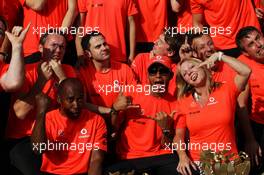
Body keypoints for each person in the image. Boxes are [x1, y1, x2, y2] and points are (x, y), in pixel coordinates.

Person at [5, 31, 77, 175]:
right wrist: (41, 81)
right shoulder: (26, 71)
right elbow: (19, 113)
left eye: (62, 47)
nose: (58, 50)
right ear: (40, 48)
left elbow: (76, 108)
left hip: (56, 136)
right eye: (53, 46)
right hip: (24, 138)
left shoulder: (68, 70)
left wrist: (62, 77)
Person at [174, 53, 251, 174]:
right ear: (186, 81)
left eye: (192, 67)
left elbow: (246, 71)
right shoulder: (183, 102)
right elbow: (178, 136)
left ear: (203, 66)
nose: (188, 72)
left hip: (229, 162)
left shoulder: (226, 89)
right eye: (184, 73)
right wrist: (182, 156)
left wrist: (219, 56)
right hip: (198, 164)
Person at [106, 55, 181, 175]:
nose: (158, 75)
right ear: (147, 75)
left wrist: (166, 129)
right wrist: (114, 109)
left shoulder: (175, 104)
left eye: (163, 71)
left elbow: (168, 145)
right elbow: (112, 130)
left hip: (161, 156)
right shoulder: (131, 93)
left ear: (171, 76)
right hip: (130, 156)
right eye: (153, 71)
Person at [31, 78, 107, 175]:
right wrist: (41, 112)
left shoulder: (96, 120)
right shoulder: (46, 119)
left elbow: (96, 160)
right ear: (59, 99)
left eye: (79, 99)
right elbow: (38, 149)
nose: (76, 105)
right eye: (70, 100)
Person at [236, 26, 264, 174]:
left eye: (258, 38)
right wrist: (250, 140)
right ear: (246, 53)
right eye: (251, 44)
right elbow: (241, 104)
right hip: (259, 125)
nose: (259, 45)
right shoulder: (243, 66)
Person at [191, 0, 260, 57]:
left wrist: (259, 8)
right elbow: (197, 24)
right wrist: (205, 45)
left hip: (250, 36)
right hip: (222, 45)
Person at [131, 31, 185, 96]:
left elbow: (168, 95)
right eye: (158, 39)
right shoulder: (141, 58)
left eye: (160, 41)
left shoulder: (176, 70)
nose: (155, 42)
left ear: (170, 52)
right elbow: (131, 87)